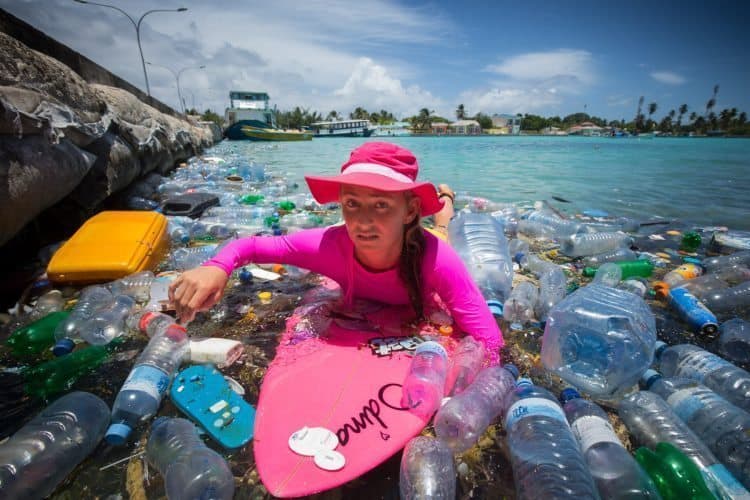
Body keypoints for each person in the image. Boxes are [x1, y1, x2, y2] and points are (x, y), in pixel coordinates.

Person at [169, 142, 504, 363]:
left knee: (443, 227)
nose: (363, 221)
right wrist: (216, 267)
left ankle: (445, 198)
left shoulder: (436, 261)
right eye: (352, 203)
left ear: (410, 210)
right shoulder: (328, 246)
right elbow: (251, 245)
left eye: (382, 205)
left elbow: (491, 342)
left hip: (431, 239)